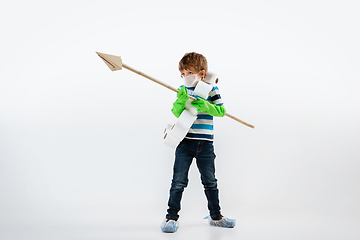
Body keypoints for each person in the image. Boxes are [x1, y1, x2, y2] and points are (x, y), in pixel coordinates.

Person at [161, 52, 236, 233]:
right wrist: (180, 100)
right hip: (185, 143)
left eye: (189, 73)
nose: (185, 77)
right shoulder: (183, 90)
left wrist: (206, 106)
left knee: (210, 181)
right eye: (183, 74)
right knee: (178, 181)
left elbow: (221, 111)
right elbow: (177, 112)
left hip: (206, 145)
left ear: (201, 73)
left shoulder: (211, 89)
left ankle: (216, 217)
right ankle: (171, 218)